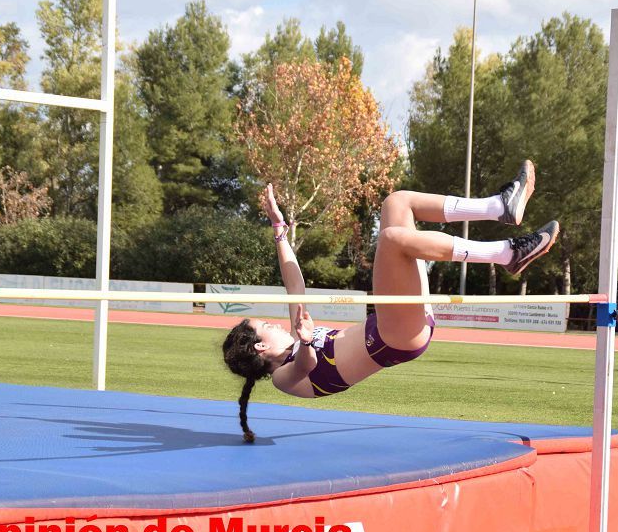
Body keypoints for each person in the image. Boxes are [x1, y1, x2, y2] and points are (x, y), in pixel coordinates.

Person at [222, 161, 558, 442]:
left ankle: (499, 206)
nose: (273, 323)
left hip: (396, 322)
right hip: (393, 339)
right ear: (259, 348)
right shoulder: (284, 376)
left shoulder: (297, 334)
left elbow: (292, 280)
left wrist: (279, 228)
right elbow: (306, 367)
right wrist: (308, 341)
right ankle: (507, 253)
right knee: (392, 239)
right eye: (263, 326)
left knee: (396, 203)